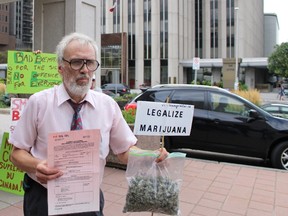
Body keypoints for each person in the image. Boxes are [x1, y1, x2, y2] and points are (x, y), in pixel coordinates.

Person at [9, 32, 168, 216]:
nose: (84, 70)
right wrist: (36, 165)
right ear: (61, 67)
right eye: (76, 62)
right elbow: (16, 154)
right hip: (44, 198)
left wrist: (149, 155)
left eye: (90, 63)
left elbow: (124, 150)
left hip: (88, 199)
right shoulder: (39, 103)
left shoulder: (107, 105)